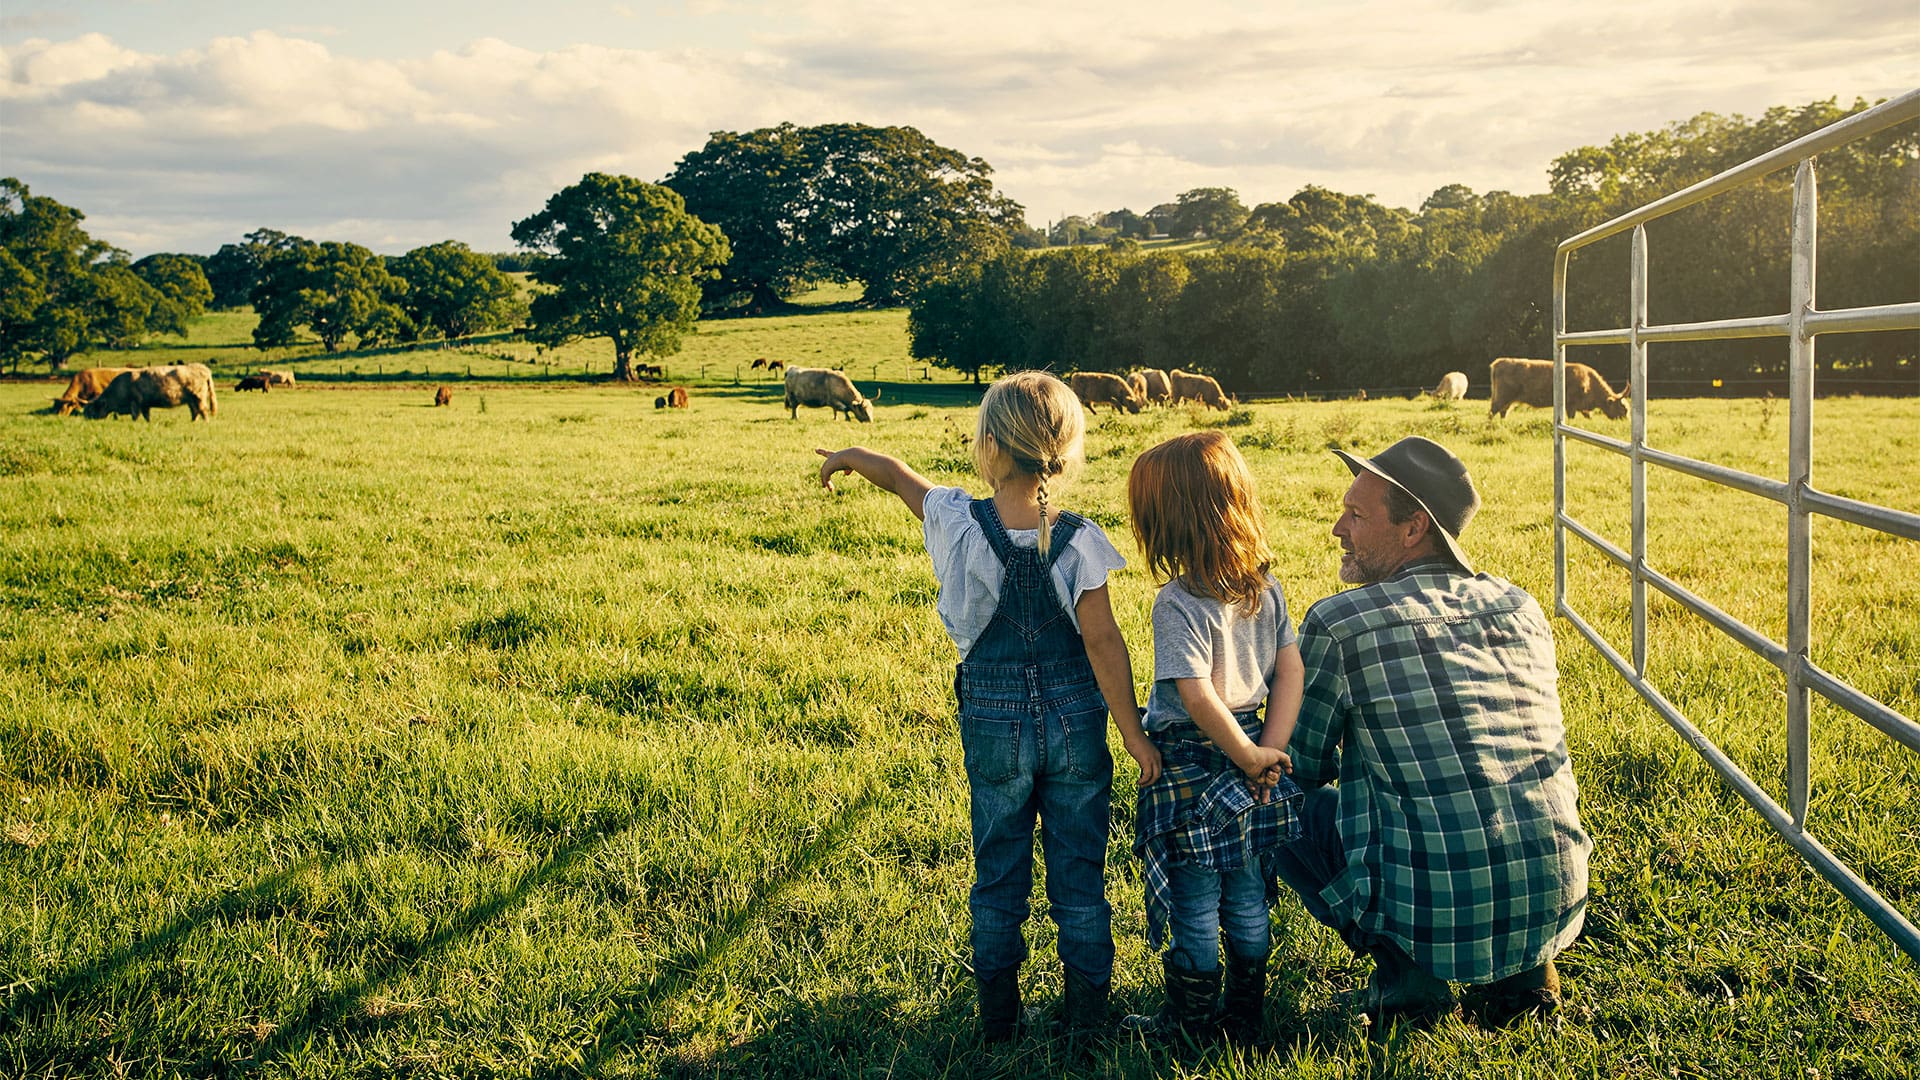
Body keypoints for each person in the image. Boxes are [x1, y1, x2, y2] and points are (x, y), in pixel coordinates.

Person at [815, 370, 1162, 1042]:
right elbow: (1103, 642)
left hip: (993, 722)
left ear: (990, 446)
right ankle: (1088, 1021)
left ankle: (1000, 1022)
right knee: (1080, 876)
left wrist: (850, 457)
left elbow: (898, 477)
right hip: (1075, 722)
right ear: (1064, 449)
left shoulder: (954, 518)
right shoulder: (1081, 538)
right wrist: (1135, 736)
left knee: (999, 867)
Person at [1274, 435, 1591, 1026]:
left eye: (1356, 515)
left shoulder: (1341, 622)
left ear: (1413, 528)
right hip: (1557, 897)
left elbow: (1300, 764)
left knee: (1271, 796)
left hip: (1436, 911)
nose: (1338, 529)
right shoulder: (1520, 606)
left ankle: (1408, 976)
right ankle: (1525, 976)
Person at [1118, 431, 1303, 1044]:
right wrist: (1265, 752)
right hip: (1253, 749)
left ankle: (1190, 1021)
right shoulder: (1265, 587)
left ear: (1170, 523)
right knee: (1248, 889)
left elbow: (1196, 697)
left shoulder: (1177, 602)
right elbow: (1289, 672)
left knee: (1196, 899)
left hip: (1197, 761)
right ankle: (1246, 1017)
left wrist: (1248, 755)